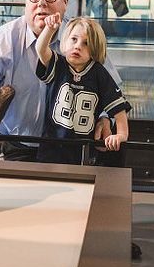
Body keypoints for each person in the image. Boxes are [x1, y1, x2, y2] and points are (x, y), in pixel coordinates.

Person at [0, 0, 119, 160]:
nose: (41, 2)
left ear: (65, 2)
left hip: (71, 147)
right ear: (26, 2)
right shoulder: (5, 38)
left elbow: (111, 88)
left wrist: (103, 117)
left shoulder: (82, 37)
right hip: (18, 145)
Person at [35, 13, 130, 165]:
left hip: (83, 150)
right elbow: (40, 49)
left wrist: (121, 135)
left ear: (95, 49)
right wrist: (49, 29)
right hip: (52, 146)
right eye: (74, 39)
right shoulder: (58, 64)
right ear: (64, 41)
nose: (78, 46)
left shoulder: (99, 73)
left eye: (86, 43)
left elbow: (119, 108)